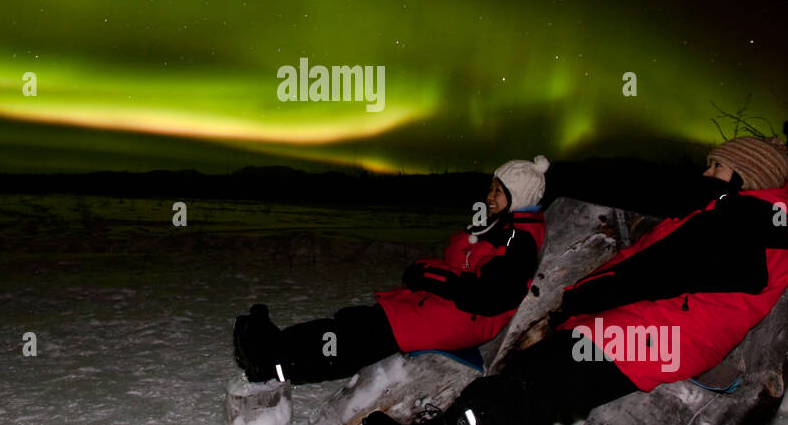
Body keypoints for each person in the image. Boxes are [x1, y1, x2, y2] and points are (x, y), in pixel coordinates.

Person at [362, 135, 788, 425]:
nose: (706, 175)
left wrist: (582, 298)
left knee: (542, 377)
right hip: (665, 328)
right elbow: (669, 268)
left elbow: (656, 271)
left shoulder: (749, 218)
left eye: (717, 168)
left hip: (667, 335)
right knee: (539, 376)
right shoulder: (745, 216)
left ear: (748, 175)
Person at [232, 156, 551, 385]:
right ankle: (274, 347)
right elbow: (465, 266)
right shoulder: (503, 228)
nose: (489, 197)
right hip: (448, 309)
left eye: (497, 191)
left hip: (462, 319)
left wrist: (432, 276)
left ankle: (271, 363)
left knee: (356, 337)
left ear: (517, 196)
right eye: (491, 189)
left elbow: (485, 295)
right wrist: (433, 272)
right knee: (354, 321)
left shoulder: (517, 240)